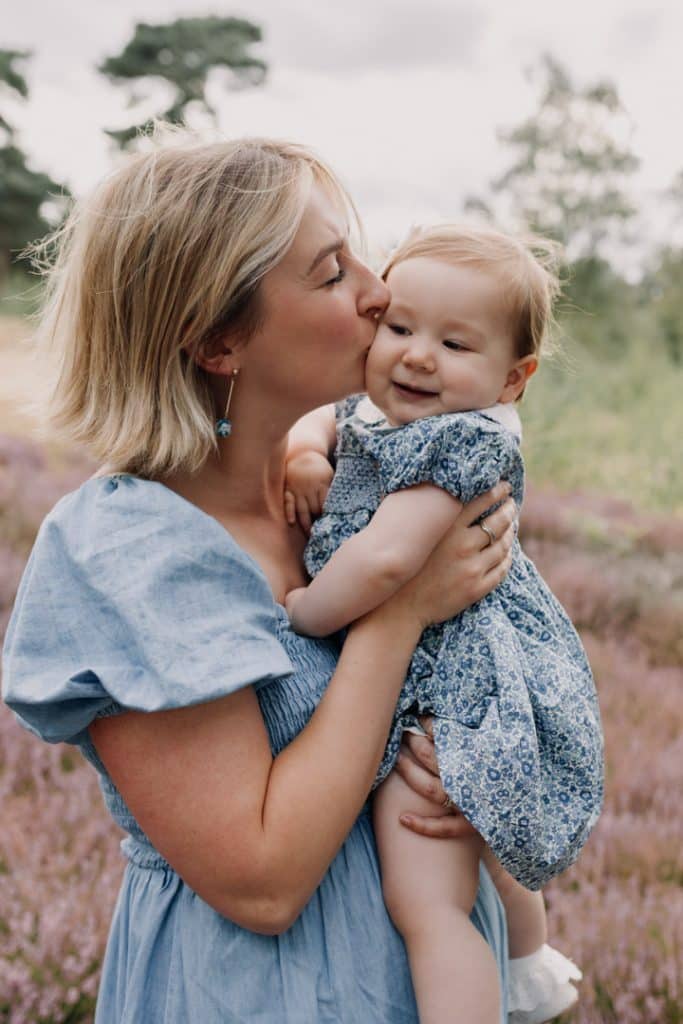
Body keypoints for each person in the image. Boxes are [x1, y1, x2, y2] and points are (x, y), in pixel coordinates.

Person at [1, 135, 519, 1023]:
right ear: (216, 340)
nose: (377, 290)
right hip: (261, 994)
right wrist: (398, 618)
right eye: (329, 273)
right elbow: (262, 881)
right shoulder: (131, 551)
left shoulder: (351, 488)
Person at [284, 224, 604, 1024]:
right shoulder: (379, 410)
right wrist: (302, 457)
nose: (418, 356)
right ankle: (528, 964)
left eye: (454, 344)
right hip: (447, 661)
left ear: (512, 379)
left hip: (446, 690)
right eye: (398, 328)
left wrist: (299, 612)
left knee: (424, 902)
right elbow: (325, 417)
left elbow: (388, 563)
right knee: (481, 851)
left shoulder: (459, 444)